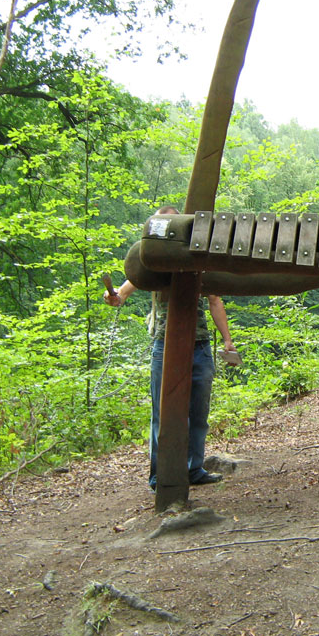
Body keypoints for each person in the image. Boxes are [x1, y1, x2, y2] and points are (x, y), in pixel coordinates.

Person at [104, 205, 236, 489]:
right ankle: (160, 475)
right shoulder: (150, 261)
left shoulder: (197, 258)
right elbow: (122, 293)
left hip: (199, 344)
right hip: (164, 344)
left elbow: (214, 300)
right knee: (163, 413)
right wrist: (113, 297)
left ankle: (193, 469)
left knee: (198, 412)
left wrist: (227, 339)